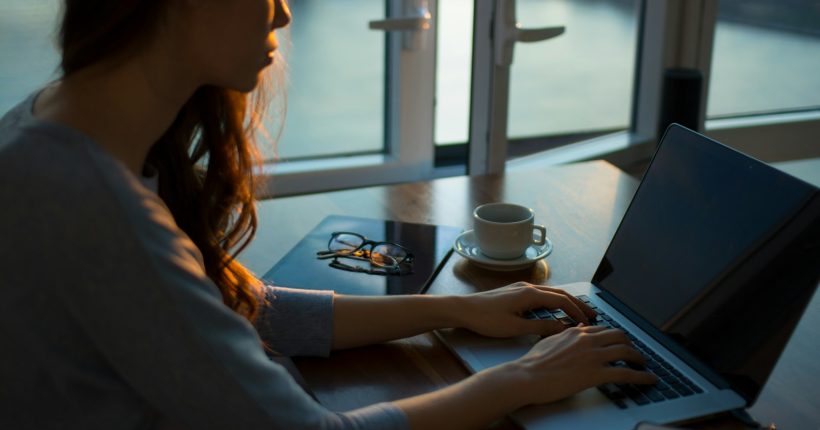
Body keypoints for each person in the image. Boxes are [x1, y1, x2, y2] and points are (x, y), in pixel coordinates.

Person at [0, 0, 656, 428]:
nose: (283, 13)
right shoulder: (95, 210)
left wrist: (451, 310)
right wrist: (522, 379)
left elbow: (214, 308)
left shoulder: (47, 127)